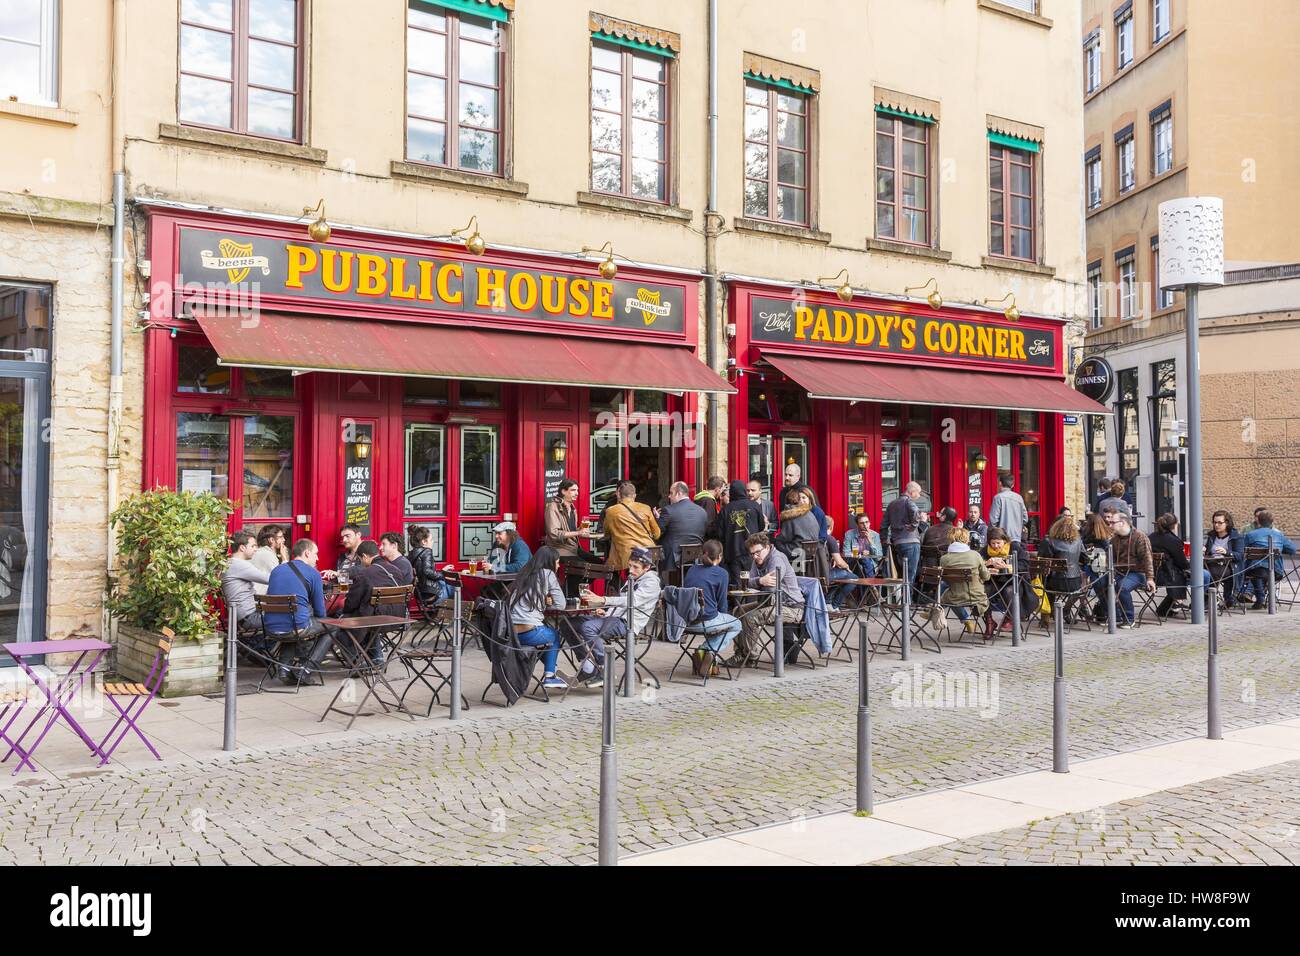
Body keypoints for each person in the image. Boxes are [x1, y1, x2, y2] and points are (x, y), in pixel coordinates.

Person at [575, 546, 662, 683]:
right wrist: (606, 611)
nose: (631, 570)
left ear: (647, 568)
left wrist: (603, 599)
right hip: (614, 616)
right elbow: (621, 601)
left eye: (636, 567)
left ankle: (605, 668)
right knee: (568, 624)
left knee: (588, 627)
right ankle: (588, 666)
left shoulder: (651, 582)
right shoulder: (634, 577)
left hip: (627, 622)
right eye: (630, 566)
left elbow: (632, 601)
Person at [265, 538, 329, 683]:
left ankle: (284, 668)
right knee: (334, 627)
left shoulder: (277, 570)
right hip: (295, 628)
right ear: (307, 553)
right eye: (316, 554)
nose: (317, 557)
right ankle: (306, 670)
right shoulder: (313, 573)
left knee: (293, 621)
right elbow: (320, 613)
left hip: (270, 627)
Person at [735, 532, 805, 664]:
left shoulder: (776, 559)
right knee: (738, 612)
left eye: (757, 552)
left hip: (791, 607)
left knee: (750, 618)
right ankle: (740, 653)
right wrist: (761, 580)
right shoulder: (758, 560)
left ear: (767, 547)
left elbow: (771, 588)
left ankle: (751, 657)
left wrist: (758, 582)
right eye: (752, 554)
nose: (755, 556)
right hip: (771, 603)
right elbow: (748, 582)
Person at [509, 546, 569, 690]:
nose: (559, 565)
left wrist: (543, 601)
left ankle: (552, 669)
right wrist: (549, 604)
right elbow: (561, 604)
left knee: (547, 639)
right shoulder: (548, 574)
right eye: (557, 562)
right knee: (554, 635)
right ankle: (550, 676)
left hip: (511, 634)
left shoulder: (524, 572)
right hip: (529, 633)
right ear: (550, 562)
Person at [682, 540, 743, 673]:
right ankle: (706, 649)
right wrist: (723, 616)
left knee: (718, 623)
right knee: (736, 624)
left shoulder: (691, 570)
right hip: (706, 622)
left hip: (686, 623)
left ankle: (708, 662)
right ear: (720, 556)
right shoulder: (721, 573)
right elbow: (722, 604)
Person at [1093, 511, 1154, 628]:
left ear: (1122, 523)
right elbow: (1109, 560)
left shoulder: (1140, 537)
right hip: (1118, 572)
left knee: (1122, 586)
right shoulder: (1114, 540)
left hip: (1137, 573)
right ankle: (1114, 616)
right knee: (1099, 582)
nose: (1109, 525)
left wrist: (1150, 578)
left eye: (1112, 522)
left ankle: (1129, 619)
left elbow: (1147, 559)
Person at [1149, 513, 1209, 617]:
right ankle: (1197, 605)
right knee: (1205, 575)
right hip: (1169, 576)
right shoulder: (1173, 540)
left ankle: (1169, 606)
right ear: (1175, 525)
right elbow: (1183, 564)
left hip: (1152, 576)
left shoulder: (1150, 537)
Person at [939, 527, 990, 633]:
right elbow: (986, 576)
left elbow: (947, 580)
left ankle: (965, 618)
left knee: (947, 594)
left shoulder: (944, 559)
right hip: (976, 596)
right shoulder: (975, 555)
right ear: (966, 539)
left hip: (954, 597)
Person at [1242, 509, 1296, 609]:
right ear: (1272, 521)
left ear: (1258, 521)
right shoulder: (1279, 535)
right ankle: (1264, 598)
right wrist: (1278, 550)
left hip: (1256, 570)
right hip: (1276, 571)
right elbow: (1292, 550)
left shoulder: (1251, 535)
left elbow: (1242, 550)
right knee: (1260, 572)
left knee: (1255, 572)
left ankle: (1260, 598)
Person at [601, 480, 660, 572]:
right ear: (635, 496)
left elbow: (606, 534)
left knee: (612, 568)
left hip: (626, 555)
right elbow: (657, 534)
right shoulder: (646, 508)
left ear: (619, 495)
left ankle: (622, 585)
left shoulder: (610, 511)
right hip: (648, 554)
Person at [1037, 514, 1085, 625]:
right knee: (1082, 589)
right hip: (1074, 583)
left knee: (1046, 583)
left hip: (1055, 582)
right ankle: (1066, 611)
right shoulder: (1078, 541)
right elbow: (1085, 559)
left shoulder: (1049, 541)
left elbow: (1043, 561)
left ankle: (1046, 617)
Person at [221, 530, 270, 629]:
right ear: (242, 548)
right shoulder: (239, 565)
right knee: (293, 616)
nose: (256, 549)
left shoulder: (230, 563)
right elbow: (268, 579)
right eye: (253, 546)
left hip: (244, 616)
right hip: (250, 617)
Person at [720, 478, 764, 587]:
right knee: (751, 580)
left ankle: (739, 603)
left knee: (738, 583)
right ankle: (752, 603)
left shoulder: (726, 509)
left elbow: (720, 533)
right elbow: (761, 526)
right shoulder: (754, 506)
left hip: (734, 552)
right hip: (751, 551)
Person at [657, 480, 709, 571]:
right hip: (696, 558)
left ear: (679, 493)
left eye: (671, 493)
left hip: (672, 559)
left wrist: (657, 519)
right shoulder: (702, 511)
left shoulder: (668, 510)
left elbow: (657, 533)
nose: (669, 496)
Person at [883, 480, 924, 584]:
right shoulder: (909, 502)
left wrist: (884, 540)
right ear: (912, 491)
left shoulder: (892, 504)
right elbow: (915, 512)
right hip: (911, 541)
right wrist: (915, 525)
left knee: (903, 573)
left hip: (897, 543)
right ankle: (908, 599)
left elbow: (884, 524)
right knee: (910, 573)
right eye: (918, 493)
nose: (918, 496)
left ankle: (903, 598)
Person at [1205, 509, 1244, 608]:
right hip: (1211, 563)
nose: (1216, 525)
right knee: (1198, 572)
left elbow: (1240, 556)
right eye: (1214, 522)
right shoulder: (1212, 536)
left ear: (1227, 523)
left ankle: (1207, 601)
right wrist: (1204, 550)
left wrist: (1226, 552)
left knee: (1211, 573)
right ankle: (1200, 600)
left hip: (1229, 566)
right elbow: (1208, 552)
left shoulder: (1236, 537)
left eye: (1219, 522)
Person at [823, 515, 862, 608]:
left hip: (814, 573)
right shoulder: (830, 539)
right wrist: (847, 566)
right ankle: (834, 605)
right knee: (854, 578)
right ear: (831, 526)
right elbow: (840, 562)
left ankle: (828, 601)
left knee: (840, 578)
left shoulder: (815, 537)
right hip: (826, 574)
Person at [407, 525, 450, 604]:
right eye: (431, 539)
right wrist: (443, 575)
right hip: (431, 594)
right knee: (454, 587)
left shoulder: (411, 553)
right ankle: (457, 613)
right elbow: (427, 571)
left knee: (444, 584)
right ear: (424, 542)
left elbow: (422, 571)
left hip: (420, 594)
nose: (433, 541)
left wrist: (441, 571)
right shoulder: (427, 551)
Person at [775, 487, 820, 560]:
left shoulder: (789, 515)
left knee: (776, 543)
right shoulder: (810, 514)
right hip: (811, 551)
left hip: (797, 551)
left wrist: (775, 539)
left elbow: (785, 537)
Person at [988, 474, 1028, 547]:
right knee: (1015, 557)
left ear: (1000, 483)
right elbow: (1025, 519)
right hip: (1016, 538)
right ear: (1012, 485)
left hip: (1001, 539)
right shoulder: (1019, 498)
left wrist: (991, 536)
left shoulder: (998, 497)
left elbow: (993, 520)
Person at [842, 512, 882, 577]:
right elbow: (846, 553)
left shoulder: (875, 535)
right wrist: (860, 554)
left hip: (871, 565)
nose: (865, 525)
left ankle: (868, 584)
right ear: (857, 525)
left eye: (867, 522)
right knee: (863, 561)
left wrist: (870, 541)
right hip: (854, 562)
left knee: (865, 560)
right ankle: (870, 584)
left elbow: (879, 557)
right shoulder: (849, 534)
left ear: (869, 523)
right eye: (862, 523)